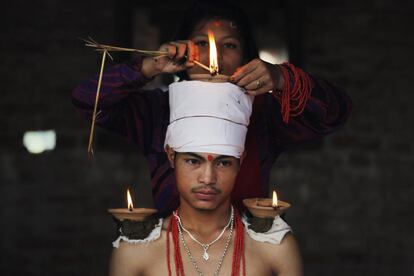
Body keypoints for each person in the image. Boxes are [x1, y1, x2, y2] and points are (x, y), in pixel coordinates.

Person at [72, 1, 352, 217]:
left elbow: (335, 112)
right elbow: (87, 99)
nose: (212, 55)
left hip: (249, 252)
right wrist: (150, 66)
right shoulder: (157, 111)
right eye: (201, 44)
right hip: (173, 251)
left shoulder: (265, 112)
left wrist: (282, 78)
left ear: (246, 56)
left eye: (228, 45)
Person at [109, 75, 302, 276]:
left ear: (240, 162)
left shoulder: (275, 246)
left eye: (223, 162)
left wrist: (280, 76)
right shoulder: (134, 250)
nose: (208, 178)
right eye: (193, 161)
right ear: (171, 156)